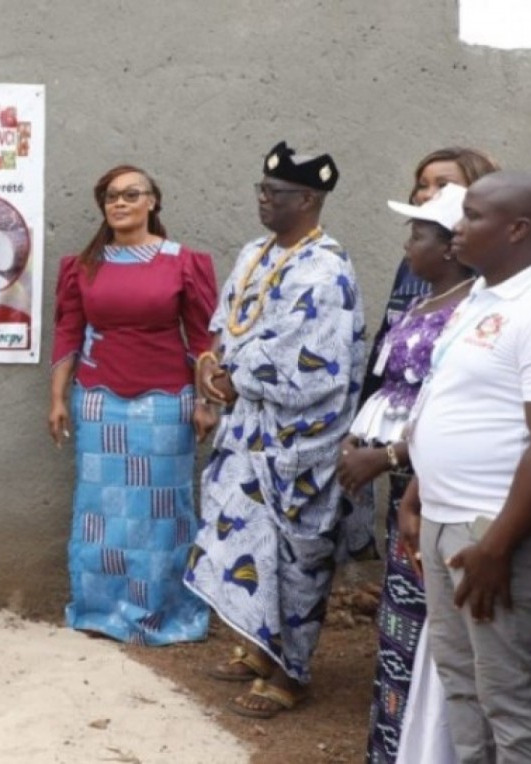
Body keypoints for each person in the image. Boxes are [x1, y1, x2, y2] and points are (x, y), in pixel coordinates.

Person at [402, 171, 531, 762]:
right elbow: (449, 399)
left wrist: (498, 546)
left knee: (510, 697)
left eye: (473, 216)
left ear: (517, 229)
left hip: (498, 532)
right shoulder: (483, 296)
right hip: (444, 519)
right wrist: (416, 493)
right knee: (462, 685)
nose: (457, 227)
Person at [187, 141, 372, 718]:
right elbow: (228, 324)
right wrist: (214, 368)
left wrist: (236, 380)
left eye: (276, 193)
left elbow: (310, 363)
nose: (263, 200)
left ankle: (292, 671)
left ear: (310, 199)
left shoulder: (327, 268)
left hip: (299, 441)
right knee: (250, 543)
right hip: (249, 429)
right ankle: (260, 645)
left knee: (295, 557)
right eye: (261, 190)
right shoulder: (254, 253)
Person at [47, 164, 216, 645]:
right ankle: (100, 610)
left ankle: (161, 611)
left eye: (130, 194)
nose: (119, 203)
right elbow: (68, 331)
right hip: (99, 401)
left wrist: (205, 401)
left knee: (162, 509)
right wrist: (58, 397)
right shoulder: (84, 266)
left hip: (166, 403)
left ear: (152, 202)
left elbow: (203, 336)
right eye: (110, 197)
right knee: (100, 509)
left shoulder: (184, 262)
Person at [337, 183, 476, 764]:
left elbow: (451, 413)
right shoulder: (421, 305)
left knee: (431, 619)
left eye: (418, 234)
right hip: (400, 486)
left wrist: (390, 455)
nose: (407, 244)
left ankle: (432, 748)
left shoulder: (471, 311)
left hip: (435, 485)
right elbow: (390, 389)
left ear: (449, 247)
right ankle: (393, 743)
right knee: (400, 615)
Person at [359, 148, 500, 404]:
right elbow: (386, 339)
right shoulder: (411, 261)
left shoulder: (485, 275)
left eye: (443, 185)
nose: (428, 194)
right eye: (422, 185)